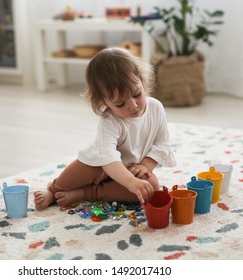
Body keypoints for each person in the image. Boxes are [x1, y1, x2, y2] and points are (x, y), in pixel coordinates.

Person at [34, 47, 176, 210]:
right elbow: (107, 158)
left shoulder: (156, 108)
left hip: (130, 169)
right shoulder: (110, 120)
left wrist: (144, 167)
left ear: (141, 79)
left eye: (136, 94)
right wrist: (130, 182)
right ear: (103, 101)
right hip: (103, 167)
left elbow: (162, 144)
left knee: (151, 186)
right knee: (86, 167)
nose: (133, 105)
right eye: (120, 103)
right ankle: (53, 190)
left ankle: (87, 193)